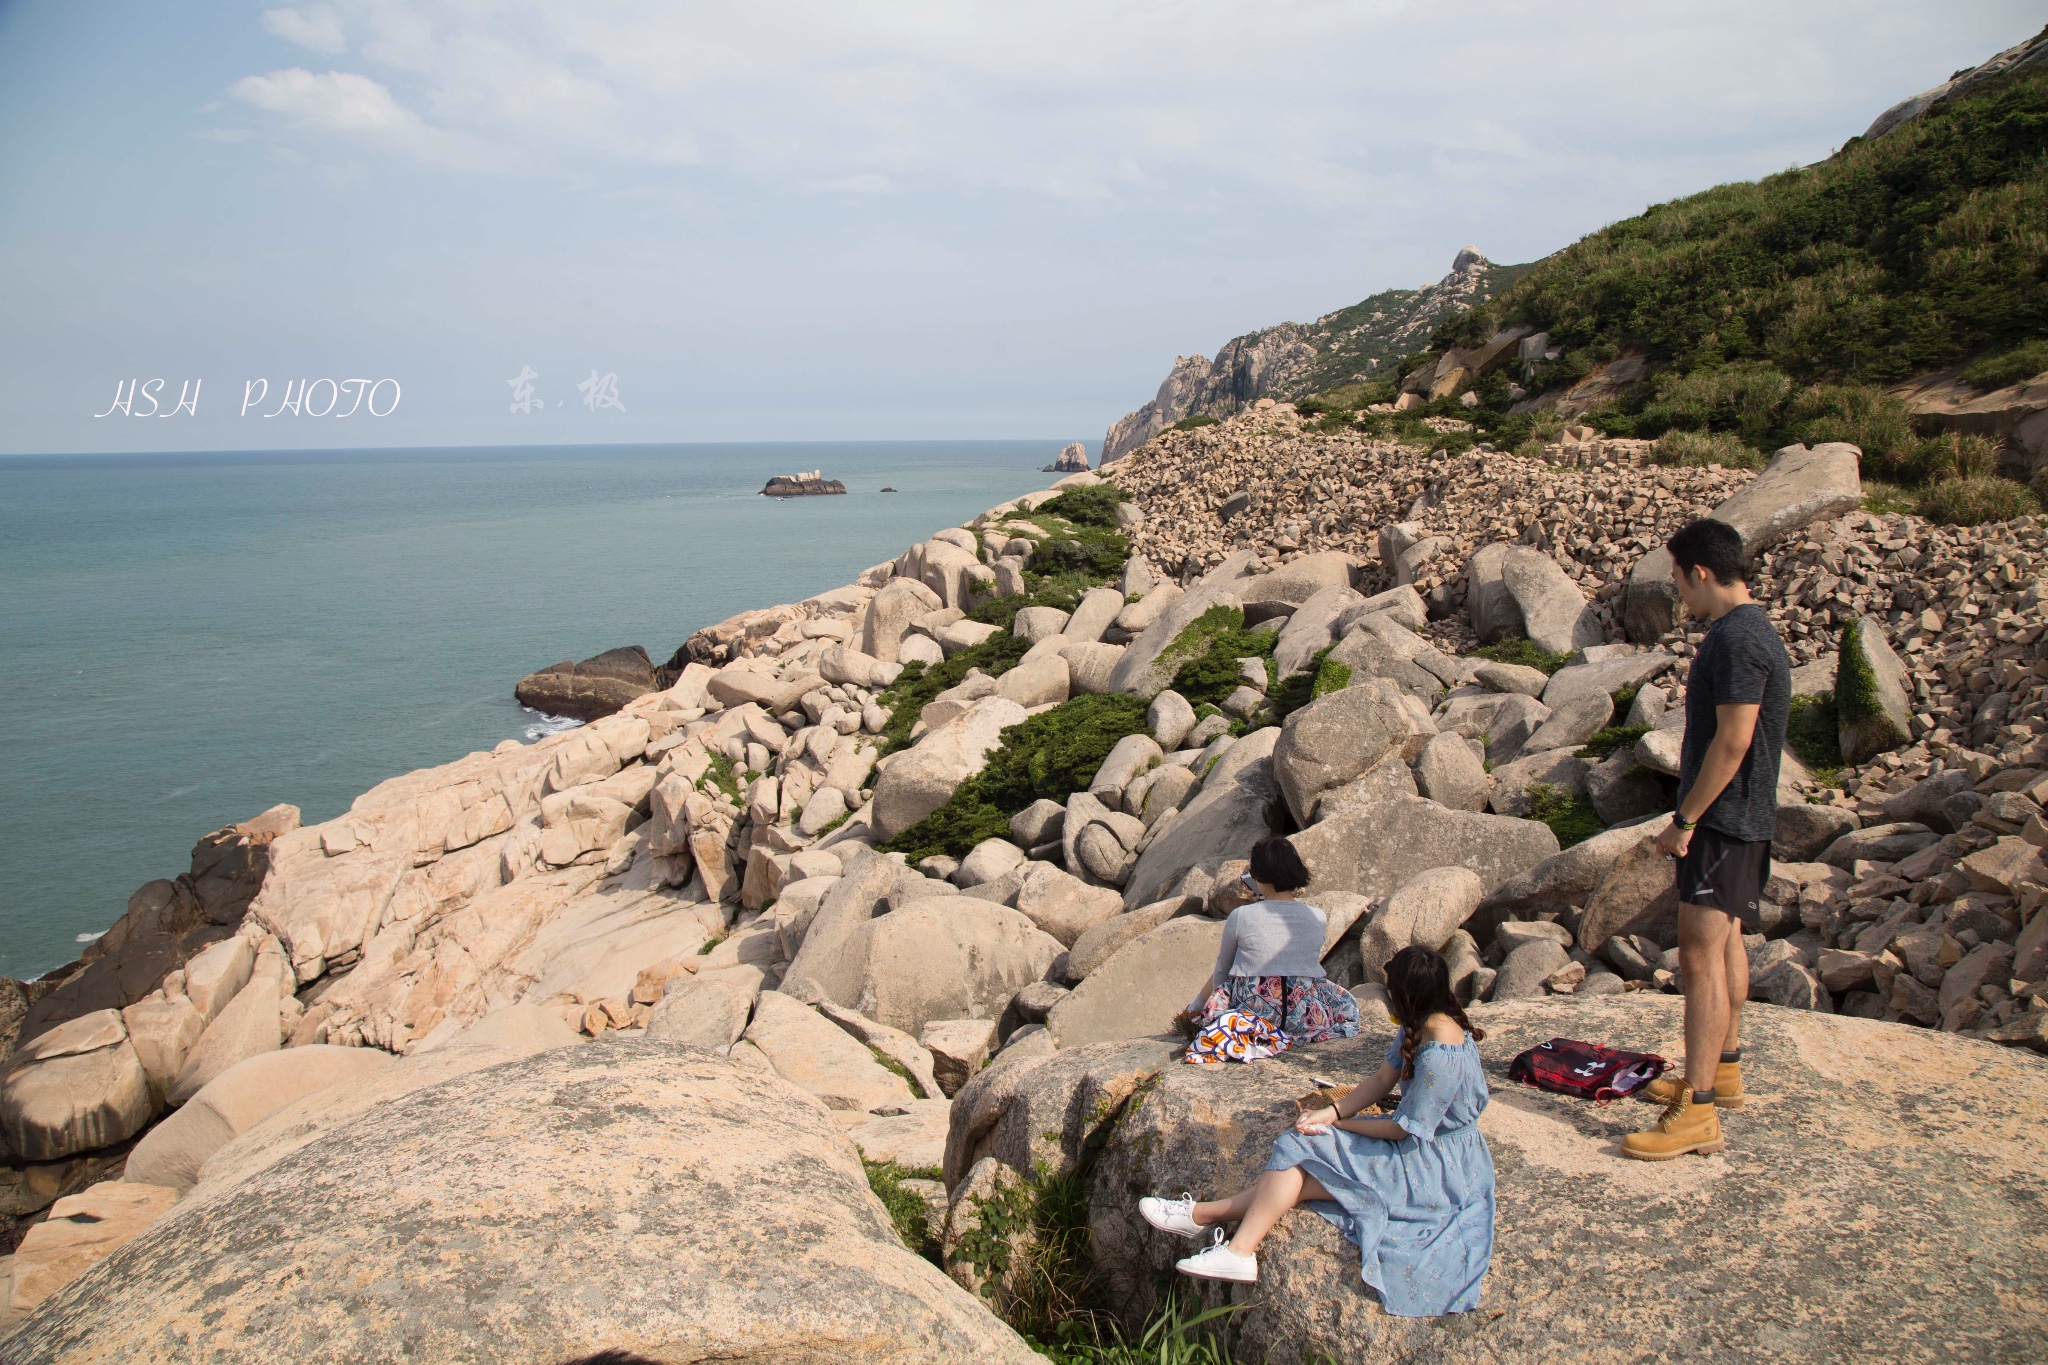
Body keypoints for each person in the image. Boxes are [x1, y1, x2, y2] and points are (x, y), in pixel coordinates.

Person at [1138, 946, 1494, 1314]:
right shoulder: (1423, 1023)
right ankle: (1206, 1222)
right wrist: (1333, 1110)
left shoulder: (1438, 1053)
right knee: (1301, 1170)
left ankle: (1227, 1240)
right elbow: (1383, 1078)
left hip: (1430, 1163)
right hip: (1417, 1143)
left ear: (1407, 996)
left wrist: (1339, 1123)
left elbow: (1403, 1130)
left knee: (1301, 1150)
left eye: (1390, 991)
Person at [1629, 516, 1791, 1161]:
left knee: (1697, 957)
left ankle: (1695, 1111)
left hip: (1724, 821)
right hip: (1744, 818)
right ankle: (1723, 1071)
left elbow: (1734, 739)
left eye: (1676, 577)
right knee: (1724, 945)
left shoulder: (1735, 640)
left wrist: (1685, 821)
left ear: (1700, 572)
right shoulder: (1754, 632)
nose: (1678, 592)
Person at [1180, 837, 1359, 1064]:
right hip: (1302, 1013)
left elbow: (1223, 969)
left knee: (1234, 970)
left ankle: (1200, 1014)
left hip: (1256, 1012)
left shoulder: (1241, 916)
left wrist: (1202, 1008)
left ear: (1258, 875)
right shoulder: (1318, 916)